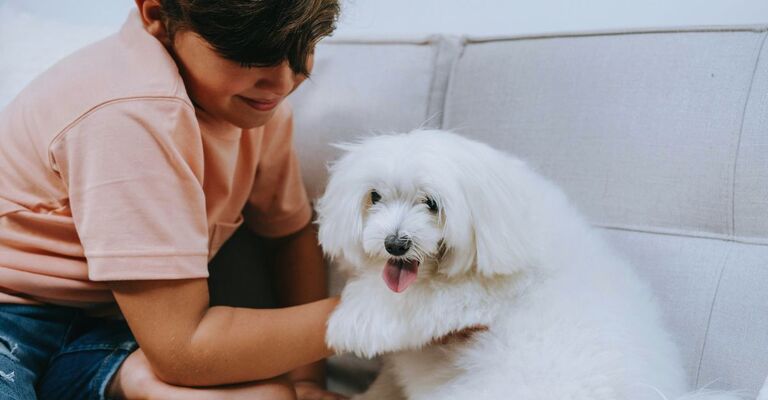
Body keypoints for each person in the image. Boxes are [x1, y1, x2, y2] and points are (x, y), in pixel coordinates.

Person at [0, 0, 348, 398]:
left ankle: (125, 380)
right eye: (247, 52)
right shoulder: (132, 111)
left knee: (270, 395)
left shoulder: (255, 110)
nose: (283, 81)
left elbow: (287, 236)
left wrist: (307, 381)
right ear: (156, 14)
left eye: (302, 46)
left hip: (104, 330)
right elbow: (183, 351)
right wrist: (378, 316)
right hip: (10, 319)